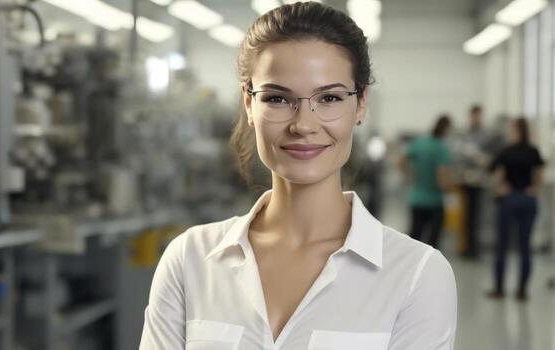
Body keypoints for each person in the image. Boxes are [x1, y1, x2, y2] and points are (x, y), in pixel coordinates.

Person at [139, 3, 457, 349]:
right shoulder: (190, 260)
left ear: (361, 104)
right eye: (277, 98)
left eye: (330, 98)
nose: (303, 125)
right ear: (249, 104)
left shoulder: (416, 275)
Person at [487, 117, 545, 301]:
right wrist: (534, 189)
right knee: (525, 246)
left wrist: (500, 187)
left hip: (509, 199)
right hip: (528, 199)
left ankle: (499, 289)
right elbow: (540, 174)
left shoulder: (506, 151)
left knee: (502, 245)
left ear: (516, 131)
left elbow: (493, 170)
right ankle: (522, 291)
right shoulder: (533, 151)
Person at [400, 115, 454, 249]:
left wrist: (411, 176)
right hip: (434, 203)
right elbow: (441, 181)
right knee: (432, 246)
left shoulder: (420, 143)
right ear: (446, 129)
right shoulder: (441, 148)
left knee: (414, 242)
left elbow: (400, 161)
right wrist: (450, 185)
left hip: (416, 200)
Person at [458, 105, 490, 259]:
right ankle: (465, 247)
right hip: (465, 179)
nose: (476, 118)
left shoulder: (486, 135)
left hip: (478, 180)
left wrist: (479, 157)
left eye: (478, 116)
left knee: (477, 216)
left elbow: (488, 159)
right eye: (473, 116)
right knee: (465, 216)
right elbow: (458, 154)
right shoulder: (464, 134)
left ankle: (475, 248)